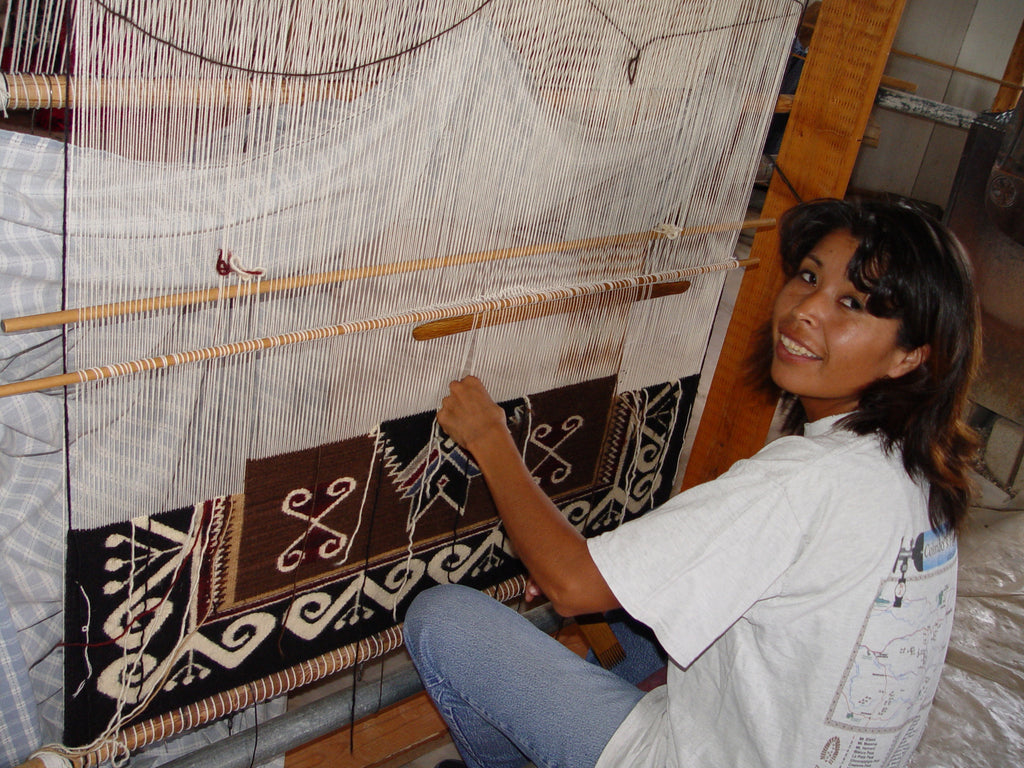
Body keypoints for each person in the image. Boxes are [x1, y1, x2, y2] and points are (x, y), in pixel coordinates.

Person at [403, 197, 981, 768]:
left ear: (909, 358)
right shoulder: (916, 465)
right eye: (809, 276)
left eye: (851, 303)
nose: (806, 309)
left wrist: (490, 438)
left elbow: (571, 587)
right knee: (629, 611)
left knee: (446, 621)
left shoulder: (804, 482)